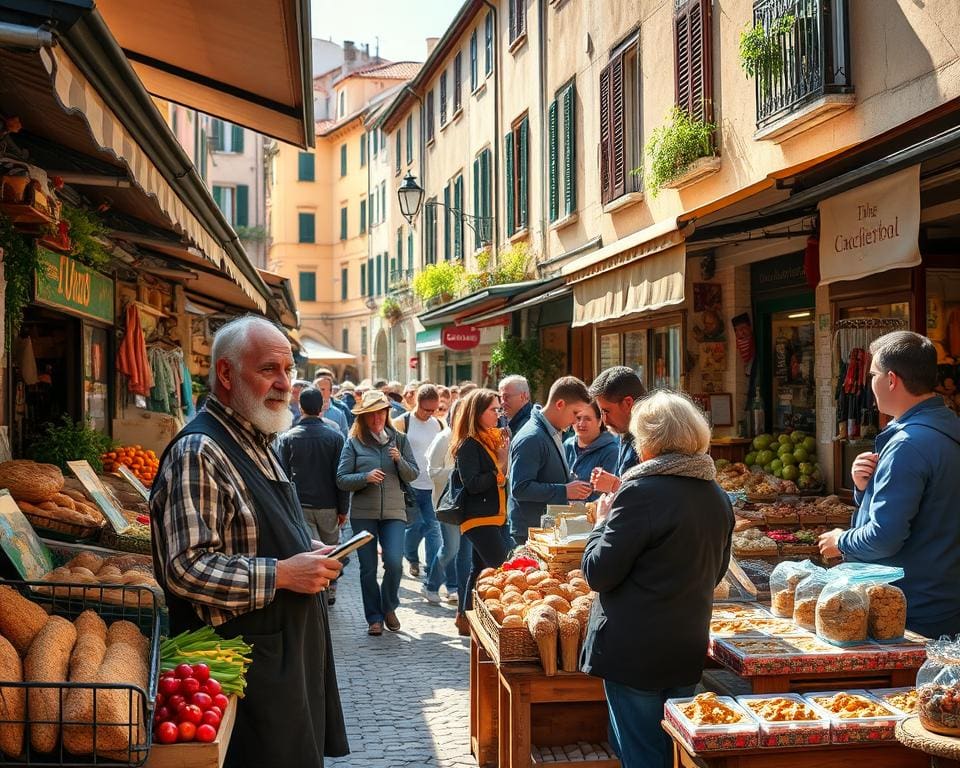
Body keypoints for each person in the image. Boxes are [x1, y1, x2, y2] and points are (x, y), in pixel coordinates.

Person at [150, 315, 348, 768]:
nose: (284, 384)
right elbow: (187, 567)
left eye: (288, 371)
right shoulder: (199, 451)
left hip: (283, 656)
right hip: (245, 665)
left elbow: (258, 533)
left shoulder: (260, 439)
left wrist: (307, 550)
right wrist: (282, 572)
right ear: (226, 373)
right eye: (268, 370)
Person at [581, 391, 733, 768]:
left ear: (649, 442)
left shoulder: (640, 492)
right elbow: (715, 573)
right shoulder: (715, 493)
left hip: (635, 650)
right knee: (670, 753)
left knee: (641, 753)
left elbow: (598, 571)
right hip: (684, 644)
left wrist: (601, 523)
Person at [819, 331, 960, 637]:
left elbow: (884, 537)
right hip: (943, 597)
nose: (870, 384)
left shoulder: (909, 444)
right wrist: (864, 488)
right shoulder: (947, 426)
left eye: (873, 375)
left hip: (910, 607)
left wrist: (840, 541)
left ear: (891, 379)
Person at [336, 390, 419, 635]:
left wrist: (399, 461)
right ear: (364, 417)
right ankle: (374, 617)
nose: (377, 419)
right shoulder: (354, 442)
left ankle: (388, 605)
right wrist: (365, 477)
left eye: (381, 414)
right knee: (368, 568)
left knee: (394, 562)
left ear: (386, 413)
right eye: (371, 415)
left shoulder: (400, 439)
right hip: (364, 513)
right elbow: (341, 479)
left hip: (395, 511)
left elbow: (413, 473)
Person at [276, 387, 349, 606]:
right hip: (328, 504)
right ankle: (332, 586)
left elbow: (283, 477)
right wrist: (343, 508)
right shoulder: (335, 437)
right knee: (332, 549)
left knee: (309, 548)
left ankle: (315, 590)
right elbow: (341, 476)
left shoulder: (288, 437)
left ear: (300, 406)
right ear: (322, 406)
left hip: (300, 504)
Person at [449, 389, 511, 633]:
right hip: (478, 517)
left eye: (499, 409)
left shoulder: (491, 438)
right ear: (477, 413)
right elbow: (472, 483)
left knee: (477, 568)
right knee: (502, 567)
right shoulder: (469, 444)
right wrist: (500, 466)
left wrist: (501, 461)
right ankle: (494, 623)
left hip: (494, 515)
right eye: (492, 410)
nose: (498, 414)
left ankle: (464, 619)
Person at [508, 377, 593, 544]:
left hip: (542, 530)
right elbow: (519, 488)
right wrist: (564, 490)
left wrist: (568, 481)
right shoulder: (532, 437)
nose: (576, 422)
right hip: (529, 534)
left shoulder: (548, 431)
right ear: (560, 404)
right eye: (575, 413)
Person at [394, 384, 445, 582]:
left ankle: (431, 570)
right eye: (426, 409)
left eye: (434, 410)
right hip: (410, 485)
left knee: (433, 528)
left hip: (432, 486)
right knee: (415, 525)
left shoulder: (439, 424)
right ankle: (412, 558)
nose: (429, 414)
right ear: (417, 403)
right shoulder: (402, 423)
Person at [423, 416, 470, 607]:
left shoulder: (471, 437)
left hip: (467, 504)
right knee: (451, 548)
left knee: (465, 553)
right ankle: (431, 585)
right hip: (447, 503)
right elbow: (432, 471)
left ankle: (458, 591)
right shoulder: (444, 438)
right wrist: (458, 472)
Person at [588, 367, 647, 495]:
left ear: (627, 403)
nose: (604, 420)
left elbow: (657, 496)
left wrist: (615, 485)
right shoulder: (625, 431)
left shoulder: (654, 436)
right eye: (601, 412)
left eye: (606, 411)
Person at [564, 401, 619, 501]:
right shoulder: (567, 445)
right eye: (578, 418)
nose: (581, 423)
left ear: (600, 421)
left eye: (587, 419)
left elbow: (608, 495)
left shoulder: (612, 451)